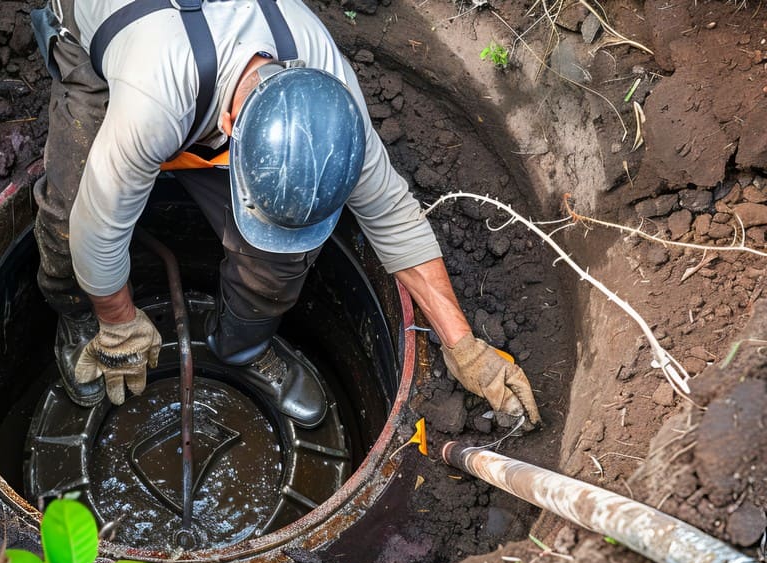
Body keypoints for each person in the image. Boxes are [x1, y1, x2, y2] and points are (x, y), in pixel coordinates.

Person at [29, 0, 540, 428]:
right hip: (107, 47)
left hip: (193, 82)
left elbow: (392, 214)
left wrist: (463, 345)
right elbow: (96, 229)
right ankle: (78, 318)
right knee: (66, 216)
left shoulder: (329, 98)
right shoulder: (148, 106)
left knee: (277, 258)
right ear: (230, 126)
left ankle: (241, 350)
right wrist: (117, 320)